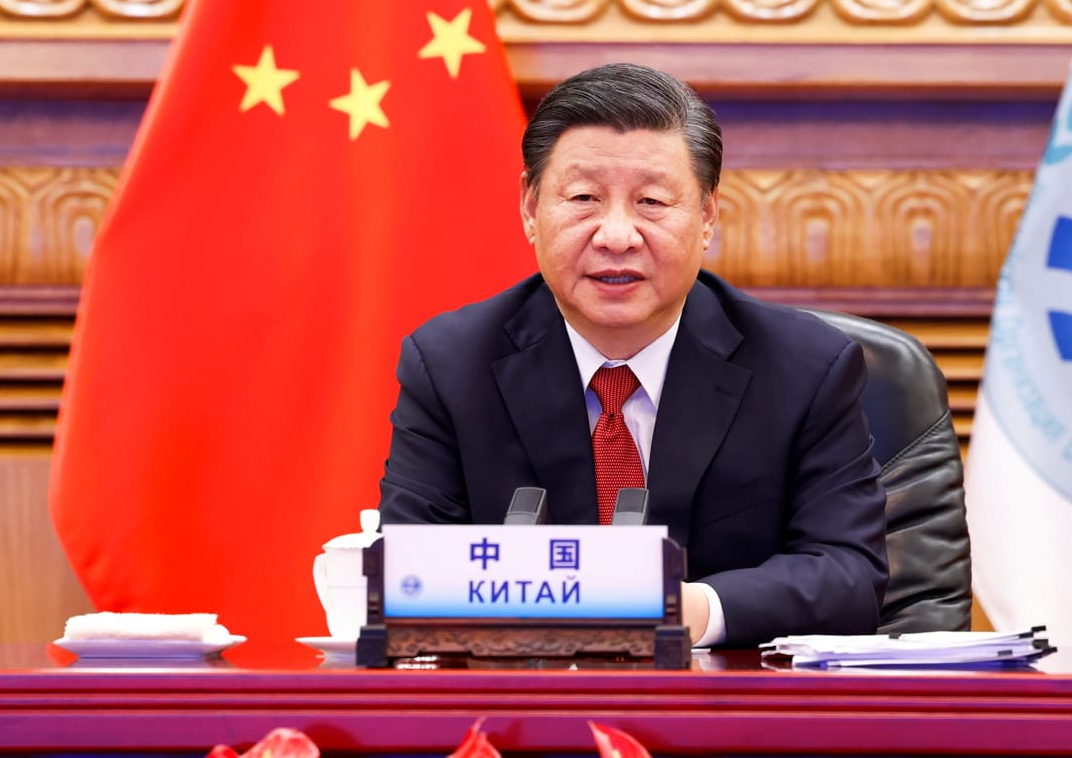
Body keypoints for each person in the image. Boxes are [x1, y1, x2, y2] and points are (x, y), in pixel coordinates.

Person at [378, 62, 887, 647]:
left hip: (727, 719)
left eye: (650, 201)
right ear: (529, 208)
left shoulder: (805, 369)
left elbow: (850, 577)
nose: (616, 235)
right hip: (524, 717)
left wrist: (689, 609)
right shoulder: (450, 365)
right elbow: (409, 569)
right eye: (584, 198)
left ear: (707, 217)